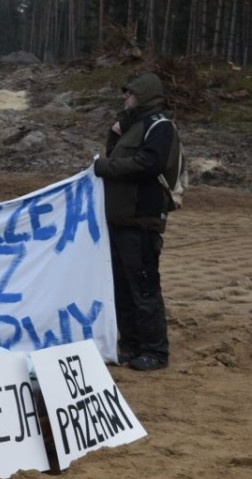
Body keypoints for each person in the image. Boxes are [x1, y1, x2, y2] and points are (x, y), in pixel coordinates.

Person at [93, 72, 182, 372]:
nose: (124, 97)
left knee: (144, 288)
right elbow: (115, 157)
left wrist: (104, 168)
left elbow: (149, 164)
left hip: (142, 221)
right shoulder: (133, 127)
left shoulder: (161, 127)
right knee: (122, 288)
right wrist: (115, 132)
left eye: (129, 93)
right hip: (120, 220)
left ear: (143, 96)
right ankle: (130, 345)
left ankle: (155, 351)